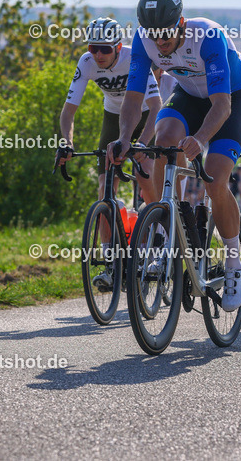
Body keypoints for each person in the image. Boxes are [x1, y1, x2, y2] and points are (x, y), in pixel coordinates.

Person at [110, 0, 241, 312]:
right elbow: (133, 100)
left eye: (166, 33)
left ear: (182, 23)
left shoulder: (208, 37)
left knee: (215, 180)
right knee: (164, 138)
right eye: (154, 33)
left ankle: (234, 266)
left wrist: (201, 139)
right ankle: (165, 220)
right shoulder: (144, 40)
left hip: (228, 99)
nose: (160, 41)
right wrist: (125, 138)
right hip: (189, 96)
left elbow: (222, 106)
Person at [56, 16, 161, 291]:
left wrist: (143, 144)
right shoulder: (87, 62)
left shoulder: (134, 58)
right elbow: (68, 112)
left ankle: (159, 245)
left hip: (145, 116)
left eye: (105, 49)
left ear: (118, 46)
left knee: (147, 184)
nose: (99, 55)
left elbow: (156, 104)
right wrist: (67, 143)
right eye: (94, 48)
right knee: (104, 190)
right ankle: (111, 263)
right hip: (113, 117)